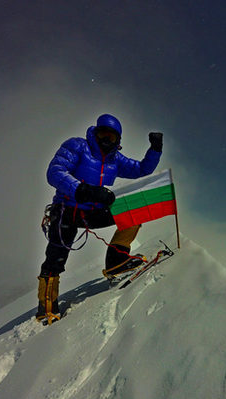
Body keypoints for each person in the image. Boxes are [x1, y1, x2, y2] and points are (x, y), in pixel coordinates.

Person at [37, 113, 163, 323]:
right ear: (95, 133)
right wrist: (83, 190)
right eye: (103, 134)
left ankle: (116, 262)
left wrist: (155, 150)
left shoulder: (115, 159)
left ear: (118, 141)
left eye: (112, 137)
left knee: (133, 210)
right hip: (66, 209)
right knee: (55, 258)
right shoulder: (77, 146)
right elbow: (55, 172)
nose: (106, 140)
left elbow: (141, 169)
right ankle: (47, 308)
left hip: (90, 213)